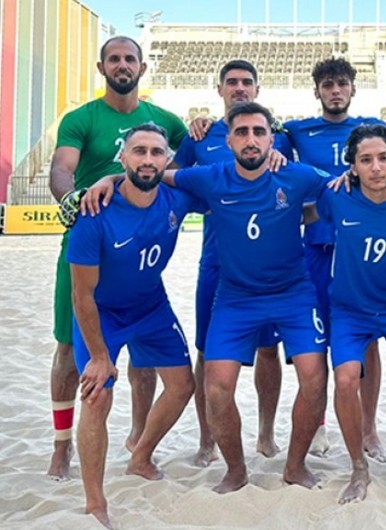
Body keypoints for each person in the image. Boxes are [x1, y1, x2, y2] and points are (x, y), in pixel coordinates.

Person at [82, 102, 331, 494]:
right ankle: (236, 470)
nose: (251, 139)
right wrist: (110, 179)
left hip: (293, 293)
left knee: (315, 376)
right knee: (215, 385)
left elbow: (346, 184)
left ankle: (295, 466)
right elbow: (151, 174)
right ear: (228, 140)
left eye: (259, 132)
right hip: (236, 297)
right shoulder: (210, 177)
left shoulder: (296, 175)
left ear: (272, 139)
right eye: (242, 132)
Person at [47, 35, 187, 479]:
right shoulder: (82, 118)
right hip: (88, 244)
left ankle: (138, 440)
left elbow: (182, 164)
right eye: (114, 59)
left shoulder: (165, 121)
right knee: (70, 349)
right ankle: (61, 446)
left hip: (138, 246)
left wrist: (203, 125)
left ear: (142, 68)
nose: (122, 65)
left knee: (144, 359)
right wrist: (76, 200)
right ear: (101, 67)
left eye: (130, 59)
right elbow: (61, 169)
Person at [68, 123, 201, 527]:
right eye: (139, 151)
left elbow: (231, 183)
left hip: (151, 306)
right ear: (122, 157)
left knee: (182, 386)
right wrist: (99, 356)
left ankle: (140, 456)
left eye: (156, 152)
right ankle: (95, 504)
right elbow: (81, 295)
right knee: (96, 396)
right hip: (102, 314)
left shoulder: (178, 199)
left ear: (166, 160)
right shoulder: (94, 213)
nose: (148, 159)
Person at [172, 59, 294, 465]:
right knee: (207, 352)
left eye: (246, 82)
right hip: (216, 262)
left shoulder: (277, 136)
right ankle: (207, 439)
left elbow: (294, 181)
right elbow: (171, 180)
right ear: (220, 88)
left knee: (268, 351)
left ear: (257, 89)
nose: (239, 88)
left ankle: (266, 433)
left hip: (268, 266)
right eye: (232, 82)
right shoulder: (200, 136)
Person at [315, 124, 386, 505]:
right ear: (352, 167)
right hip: (350, 309)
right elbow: (304, 194)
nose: (376, 167)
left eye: (384, 158)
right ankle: (358, 468)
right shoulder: (336, 196)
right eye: (365, 160)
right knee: (345, 379)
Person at [284, 58, 386, 458]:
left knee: (369, 342)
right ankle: (320, 424)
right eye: (328, 85)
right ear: (317, 91)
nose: (335, 90)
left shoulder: (372, 130)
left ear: (353, 89)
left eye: (342, 83)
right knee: (317, 341)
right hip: (317, 247)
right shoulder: (296, 131)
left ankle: (369, 428)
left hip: (361, 250)